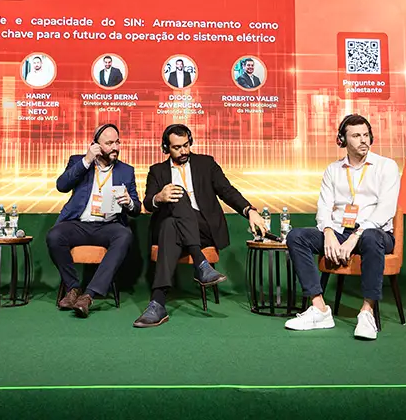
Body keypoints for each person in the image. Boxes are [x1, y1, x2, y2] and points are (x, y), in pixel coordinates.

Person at [133, 124, 268, 328]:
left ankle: (157, 304)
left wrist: (249, 210)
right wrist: (159, 197)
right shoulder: (157, 171)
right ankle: (197, 268)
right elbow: (148, 203)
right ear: (166, 148)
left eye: (186, 145)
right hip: (174, 230)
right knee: (170, 222)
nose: (183, 151)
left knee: (175, 208)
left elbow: (227, 191)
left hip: (204, 228)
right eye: (177, 147)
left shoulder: (206, 163)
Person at [284, 114, 399, 340]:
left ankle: (367, 313)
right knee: (296, 236)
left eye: (366, 135)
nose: (363, 140)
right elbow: (324, 207)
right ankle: (319, 309)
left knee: (371, 237)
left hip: (375, 234)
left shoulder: (386, 166)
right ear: (342, 140)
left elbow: (386, 209)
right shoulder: (333, 170)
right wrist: (328, 232)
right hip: (339, 231)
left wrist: (356, 236)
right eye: (356, 136)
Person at [48, 124, 140, 317]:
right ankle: (73, 288)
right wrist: (87, 160)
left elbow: (137, 209)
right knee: (55, 236)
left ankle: (89, 295)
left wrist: (129, 202)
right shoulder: (79, 161)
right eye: (109, 143)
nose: (115, 147)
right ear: (95, 145)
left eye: (117, 142)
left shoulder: (126, 170)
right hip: (79, 224)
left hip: (108, 226)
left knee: (124, 235)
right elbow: (62, 186)